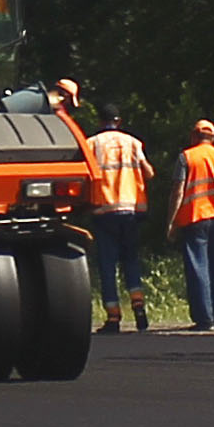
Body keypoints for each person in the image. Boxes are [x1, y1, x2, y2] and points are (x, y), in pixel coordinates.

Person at [82, 110, 153, 334]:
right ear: (119, 121)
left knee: (108, 265)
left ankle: (113, 317)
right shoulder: (132, 142)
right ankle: (139, 307)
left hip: (104, 211)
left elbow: (85, 175)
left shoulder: (91, 143)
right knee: (131, 261)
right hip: (131, 210)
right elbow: (149, 173)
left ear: (101, 121)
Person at [172, 119, 214, 330]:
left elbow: (178, 191)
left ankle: (204, 319)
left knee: (198, 268)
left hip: (195, 217)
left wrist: (172, 221)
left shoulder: (186, 156)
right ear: (213, 137)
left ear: (194, 136)